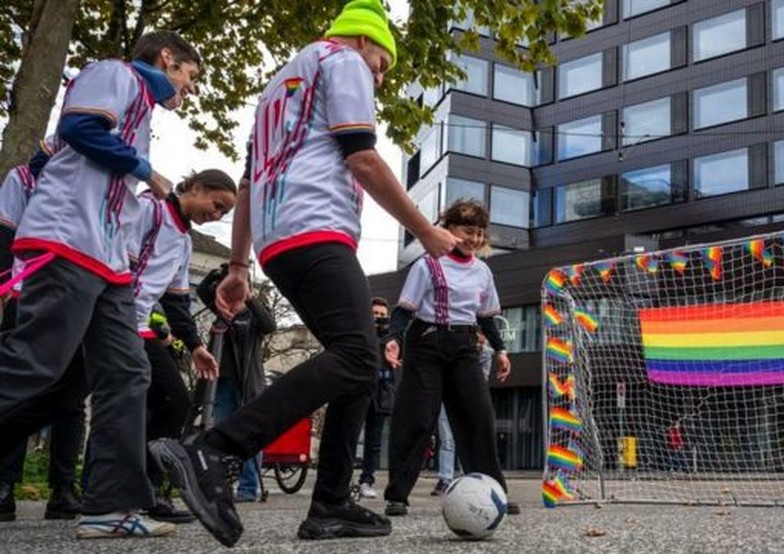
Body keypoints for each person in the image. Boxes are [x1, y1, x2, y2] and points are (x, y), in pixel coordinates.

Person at [149, 0, 459, 546]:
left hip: (278, 238)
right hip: (316, 226)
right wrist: (427, 233)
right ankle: (214, 451)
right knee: (361, 356)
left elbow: (247, 184)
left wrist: (239, 265)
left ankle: (331, 504)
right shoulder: (343, 62)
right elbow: (362, 157)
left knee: (356, 360)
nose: (380, 78)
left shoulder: (279, 88)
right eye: (382, 63)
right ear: (364, 40)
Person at [0, 30, 200, 539]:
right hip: (68, 237)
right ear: (167, 58)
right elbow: (80, 128)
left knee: (129, 374)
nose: (191, 89)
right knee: (36, 361)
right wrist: (144, 170)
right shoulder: (116, 73)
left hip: (107, 259)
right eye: (189, 76)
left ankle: (110, 506)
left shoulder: (142, 110)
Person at [383, 199, 518, 517]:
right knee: (418, 419)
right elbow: (405, 309)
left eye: (479, 233)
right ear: (449, 229)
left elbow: (486, 317)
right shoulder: (427, 264)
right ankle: (398, 495)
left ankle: (493, 490)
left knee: (478, 417)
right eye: (467, 230)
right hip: (426, 343)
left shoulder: (483, 271)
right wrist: (393, 339)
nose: (473, 238)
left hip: (464, 346)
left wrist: (500, 350)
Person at [130, 170, 235, 521]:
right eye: (216, 204)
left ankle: (147, 490)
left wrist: (194, 346)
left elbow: (176, 302)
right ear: (195, 187)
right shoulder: (150, 209)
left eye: (223, 213)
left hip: (141, 326)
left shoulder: (185, 242)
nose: (216, 215)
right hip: (110, 317)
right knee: (65, 396)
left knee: (172, 399)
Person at [0, 162, 85, 522]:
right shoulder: (23, 178)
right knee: (25, 386)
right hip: (25, 290)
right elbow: (5, 231)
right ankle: (4, 484)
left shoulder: (93, 181)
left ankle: (63, 488)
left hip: (77, 292)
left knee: (72, 397)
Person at [197, 265, 277, 503]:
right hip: (222, 382)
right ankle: (222, 485)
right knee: (223, 432)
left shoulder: (253, 315)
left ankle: (248, 488)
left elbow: (269, 325)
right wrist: (220, 274)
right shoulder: (222, 310)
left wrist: (249, 296)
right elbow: (202, 291)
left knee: (250, 436)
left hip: (248, 383)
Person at [431, 332, 494, 496]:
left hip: (470, 398)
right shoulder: (452, 348)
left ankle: (467, 477)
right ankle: (445, 479)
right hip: (449, 395)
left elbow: (483, 378)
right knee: (447, 440)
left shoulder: (485, 354)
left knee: (467, 438)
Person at [357, 297, 401, 499]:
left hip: (381, 393)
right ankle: (342, 479)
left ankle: (367, 480)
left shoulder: (392, 339)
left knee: (374, 442)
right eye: (375, 314)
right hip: (358, 391)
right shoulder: (360, 334)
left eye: (382, 315)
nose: (379, 318)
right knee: (350, 438)